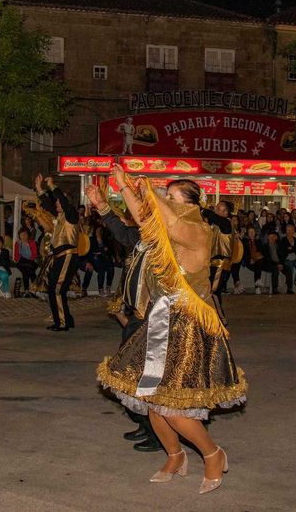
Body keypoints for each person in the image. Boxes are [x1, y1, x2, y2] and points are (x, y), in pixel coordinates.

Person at [97, 166, 246, 494]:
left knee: (174, 408)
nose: (165, 202)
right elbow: (147, 217)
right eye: (166, 197)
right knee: (152, 402)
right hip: (159, 321)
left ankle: (213, 454)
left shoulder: (195, 229)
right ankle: (175, 456)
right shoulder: (168, 229)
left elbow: (166, 217)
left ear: (190, 204)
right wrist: (124, 188)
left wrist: (146, 190)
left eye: (172, 197)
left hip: (189, 328)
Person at [84, 182, 163, 454]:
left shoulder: (162, 237)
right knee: (127, 374)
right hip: (137, 317)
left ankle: (157, 433)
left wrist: (124, 191)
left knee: (143, 376)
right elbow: (122, 232)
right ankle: (143, 423)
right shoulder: (143, 236)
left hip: (154, 318)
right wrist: (101, 206)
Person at [35, 174, 81, 331]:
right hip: (59, 256)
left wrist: (52, 186)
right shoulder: (61, 216)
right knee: (55, 289)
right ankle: (66, 320)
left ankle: (62, 322)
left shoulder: (72, 215)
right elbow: (48, 204)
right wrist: (40, 189)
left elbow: (63, 201)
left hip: (67, 255)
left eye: (59, 201)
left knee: (57, 289)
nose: (56, 203)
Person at [13, 228, 39, 295]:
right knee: (29, 271)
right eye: (21, 235)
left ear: (28, 235)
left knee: (26, 271)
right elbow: (16, 256)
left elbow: (34, 255)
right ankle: (35, 289)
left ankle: (26, 290)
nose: (23, 236)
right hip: (22, 263)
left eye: (25, 235)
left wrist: (28, 257)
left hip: (30, 262)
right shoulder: (18, 243)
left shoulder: (32, 242)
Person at [278, 223, 296, 294]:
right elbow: (283, 250)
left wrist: (291, 248)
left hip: (295, 259)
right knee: (290, 270)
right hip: (287, 259)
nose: (288, 232)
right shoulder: (283, 240)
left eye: (290, 230)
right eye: (287, 230)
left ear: (293, 231)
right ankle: (290, 286)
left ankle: (295, 282)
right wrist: (293, 249)